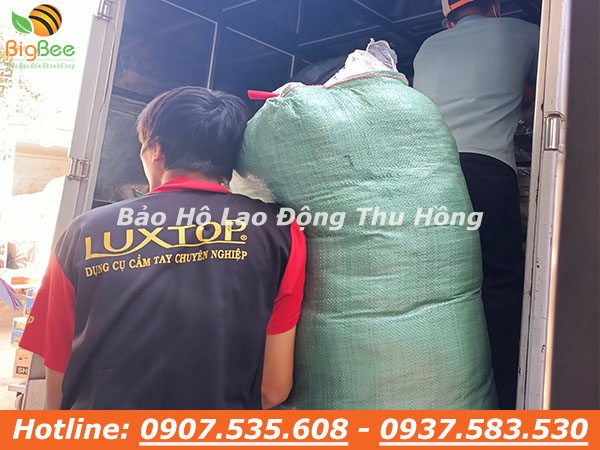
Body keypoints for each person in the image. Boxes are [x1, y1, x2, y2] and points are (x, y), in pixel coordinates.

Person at [19, 86, 306, 410]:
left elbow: (58, 381)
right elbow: (272, 389)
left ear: (156, 149)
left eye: (142, 146)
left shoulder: (82, 232)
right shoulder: (280, 232)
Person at [413, 0, 539, 409]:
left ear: (448, 21)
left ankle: (442, 390)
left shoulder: (428, 46)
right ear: (496, 9)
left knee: (439, 284)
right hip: (484, 171)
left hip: (425, 177)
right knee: (498, 282)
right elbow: (554, 86)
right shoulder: (524, 32)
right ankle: (505, 398)